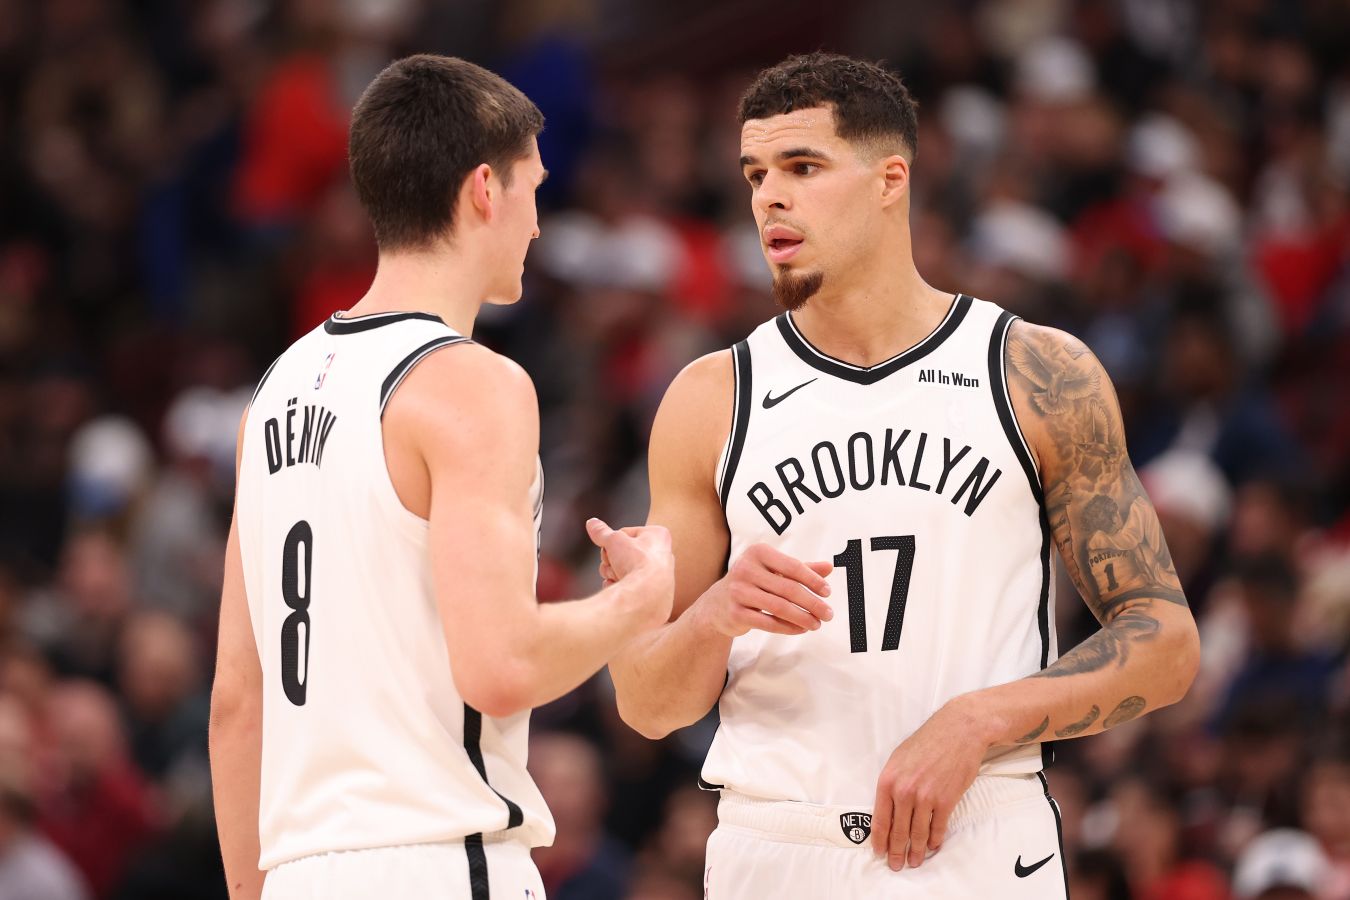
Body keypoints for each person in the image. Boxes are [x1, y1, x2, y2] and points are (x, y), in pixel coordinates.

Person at [607, 52, 1200, 898]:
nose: (769, 197)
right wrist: (712, 617)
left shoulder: (1034, 371)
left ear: (891, 179)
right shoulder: (712, 397)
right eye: (755, 174)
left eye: (803, 167)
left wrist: (980, 720)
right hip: (774, 843)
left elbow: (1165, 644)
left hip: (977, 833)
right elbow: (647, 705)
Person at [209, 55, 675, 900]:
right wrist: (639, 603)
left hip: (298, 873)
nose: (539, 225)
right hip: (436, 860)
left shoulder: (272, 393)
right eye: (534, 188)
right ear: (485, 190)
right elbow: (501, 666)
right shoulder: (471, 383)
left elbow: (238, 702)